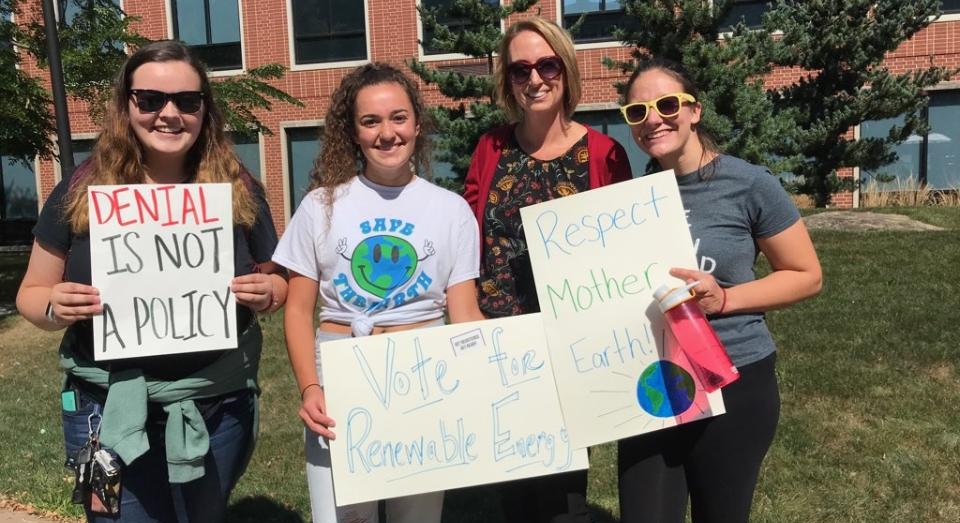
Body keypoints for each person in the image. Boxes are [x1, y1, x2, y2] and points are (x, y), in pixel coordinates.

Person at [15, 40, 286, 523]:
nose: (169, 114)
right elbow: (30, 296)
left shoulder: (238, 189)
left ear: (205, 110)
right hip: (103, 407)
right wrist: (55, 305)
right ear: (126, 106)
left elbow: (277, 280)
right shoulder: (81, 188)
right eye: (150, 100)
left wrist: (269, 293)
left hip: (217, 406)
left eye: (187, 101)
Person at [272, 62, 485, 523]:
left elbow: (465, 313)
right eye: (370, 121)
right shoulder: (320, 206)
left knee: (419, 517)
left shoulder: (451, 211)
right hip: (340, 373)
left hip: (427, 377)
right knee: (344, 517)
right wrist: (310, 387)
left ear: (417, 124)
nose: (386, 133)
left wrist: (515, 362)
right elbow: (298, 309)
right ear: (352, 132)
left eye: (398, 118)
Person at [615, 57, 823, 523]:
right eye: (637, 111)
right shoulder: (630, 200)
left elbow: (806, 274)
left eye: (666, 104)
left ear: (694, 111)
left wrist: (726, 299)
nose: (653, 118)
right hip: (653, 378)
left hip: (734, 375)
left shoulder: (749, 183)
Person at [463, 16, 633, 523]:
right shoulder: (491, 147)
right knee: (513, 486)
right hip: (501, 338)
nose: (534, 79)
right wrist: (469, 316)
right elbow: (470, 234)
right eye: (519, 70)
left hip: (569, 343)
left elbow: (622, 251)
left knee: (564, 490)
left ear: (565, 69)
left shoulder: (604, 154)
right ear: (507, 81)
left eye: (546, 65)